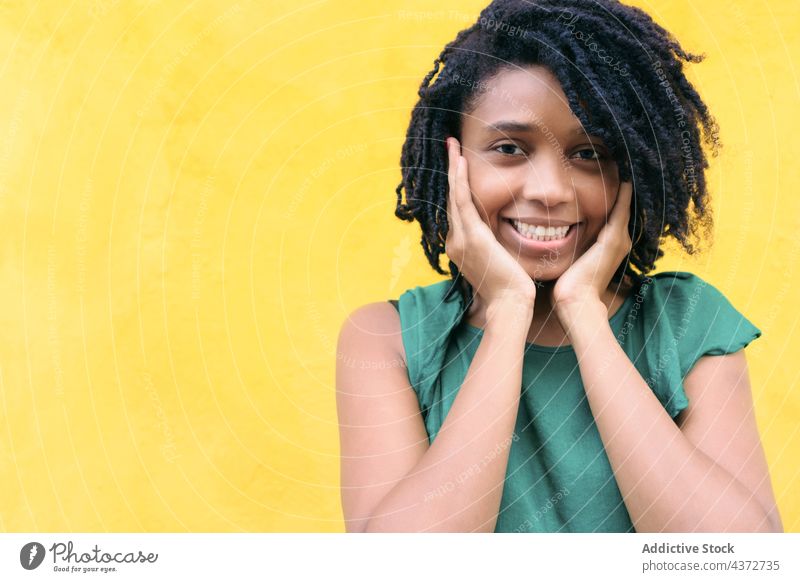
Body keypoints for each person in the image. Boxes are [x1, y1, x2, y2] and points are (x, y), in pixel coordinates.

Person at [335, 0, 782, 533]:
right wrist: (507, 309)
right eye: (507, 148)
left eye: (589, 154)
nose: (549, 191)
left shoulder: (689, 325)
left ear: (633, 171)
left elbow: (737, 561)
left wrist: (584, 313)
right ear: (452, 160)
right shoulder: (387, 339)